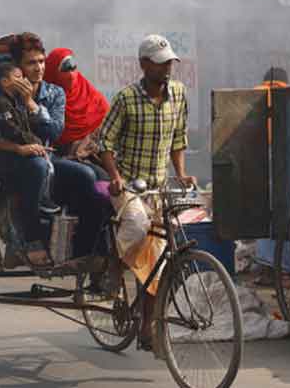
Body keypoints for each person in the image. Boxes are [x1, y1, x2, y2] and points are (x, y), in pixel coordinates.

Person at [99, 33, 196, 351]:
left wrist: (181, 173)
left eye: (169, 62)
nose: (166, 68)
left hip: (158, 186)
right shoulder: (126, 98)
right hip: (127, 186)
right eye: (159, 63)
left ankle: (146, 328)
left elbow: (179, 139)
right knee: (138, 226)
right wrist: (114, 177)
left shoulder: (179, 94)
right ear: (143, 65)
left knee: (161, 262)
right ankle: (113, 267)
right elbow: (105, 143)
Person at [0, 33, 65, 266]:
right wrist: (19, 148)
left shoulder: (55, 94)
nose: (39, 68)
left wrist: (31, 103)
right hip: (10, 160)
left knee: (87, 177)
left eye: (42, 61)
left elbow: (54, 133)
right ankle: (30, 240)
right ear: (19, 68)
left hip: (46, 157)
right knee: (35, 167)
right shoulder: (2, 94)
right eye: (31, 63)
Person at [43, 47, 112, 259]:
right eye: (65, 68)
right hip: (56, 163)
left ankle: (103, 252)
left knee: (110, 188)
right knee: (92, 178)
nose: (72, 73)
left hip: (90, 157)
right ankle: (84, 252)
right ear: (54, 73)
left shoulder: (91, 96)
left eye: (73, 67)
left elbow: (106, 132)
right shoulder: (49, 97)